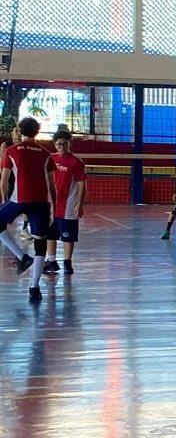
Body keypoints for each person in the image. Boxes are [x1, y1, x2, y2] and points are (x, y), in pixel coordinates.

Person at [0, 117, 56, 304]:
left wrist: (4, 202)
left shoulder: (10, 151)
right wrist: (53, 207)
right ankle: (34, 288)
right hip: (41, 202)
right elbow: (52, 185)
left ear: (19, 130)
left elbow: (3, 182)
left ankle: (22, 256)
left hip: (19, 199)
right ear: (37, 131)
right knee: (40, 243)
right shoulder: (46, 154)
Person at [42, 132, 86, 276]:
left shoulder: (76, 162)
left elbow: (81, 185)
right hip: (51, 204)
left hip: (68, 204)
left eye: (64, 143)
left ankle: (67, 263)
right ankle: (51, 261)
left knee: (68, 236)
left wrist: (79, 204)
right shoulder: (51, 159)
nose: (61, 146)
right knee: (50, 234)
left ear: (69, 143)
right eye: (58, 144)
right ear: (55, 145)